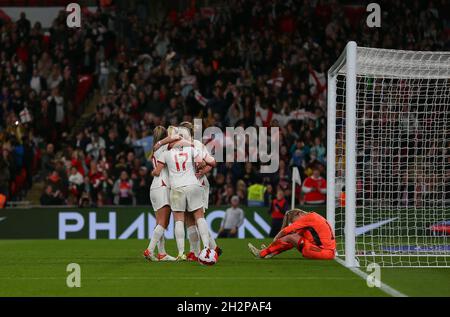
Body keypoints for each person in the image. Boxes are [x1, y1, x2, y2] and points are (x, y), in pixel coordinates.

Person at [151, 130, 216, 260]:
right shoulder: (193, 149)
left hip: (175, 188)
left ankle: (181, 253)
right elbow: (205, 163)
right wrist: (201, 170)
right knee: (199, 217)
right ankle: (207, 249)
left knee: (179, 220)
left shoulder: (165, 153)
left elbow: (157, 171)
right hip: (193, 185)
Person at [143, 126, 180, 262]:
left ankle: (162, 253)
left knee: (159, 222)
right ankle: (149, 250)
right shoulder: (164, 148)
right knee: (163, 222)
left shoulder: (154, 149)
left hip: (155, 187)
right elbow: (177, 137)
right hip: (163, 186)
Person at [248, 209, 335, 260]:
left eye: (294, 221)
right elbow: (290, 244)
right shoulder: (313, 218)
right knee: (292, 238)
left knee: (290, 236)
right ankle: (269, 253)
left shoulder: (309, 218)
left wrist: (275, 239)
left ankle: (261, 253)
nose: (296, 224)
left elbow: (284, 232)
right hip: (325, 252)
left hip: (322, 252)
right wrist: (273, 252)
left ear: (300, 214)